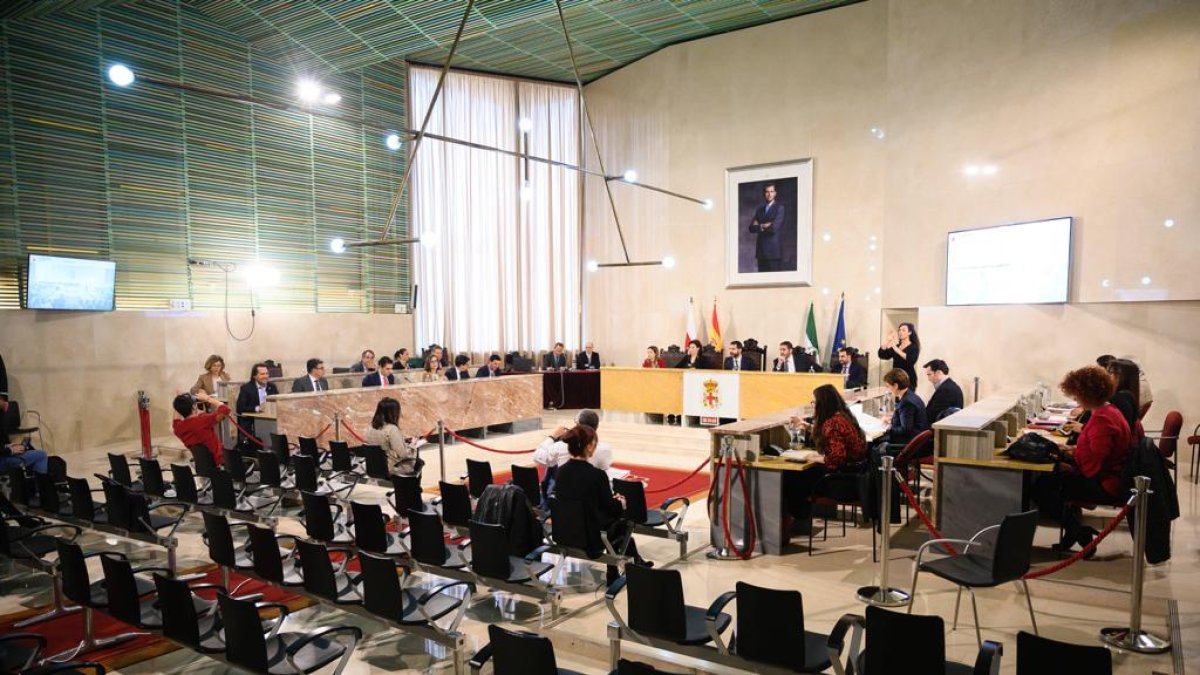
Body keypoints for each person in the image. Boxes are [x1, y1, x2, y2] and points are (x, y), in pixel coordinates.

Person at [1034, 366, 1132, 554]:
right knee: (1051, 480)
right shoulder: (1109, 411)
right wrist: (1071, 450)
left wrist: (1069, 458)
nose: (1075, 399)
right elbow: (1096, 452)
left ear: (1085, 394)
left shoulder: (1102, 419)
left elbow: (1091, 468)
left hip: (1106, 483)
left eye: (1076, 395)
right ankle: (1075, 531)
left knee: (1042, 488)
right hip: (1110, 475)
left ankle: (1079, 532)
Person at [551, 424, 649, 585]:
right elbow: (610, 509)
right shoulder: (596, 475)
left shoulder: (561, 472)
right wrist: (620, 503)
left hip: (565, 530)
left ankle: (634, 562)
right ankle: (620, 568)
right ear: (589, 446)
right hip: (590, 535)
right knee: (623, 523)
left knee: (613, 524)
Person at [782, 384, 868, 523]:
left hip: (840, 482)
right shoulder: (844, 417)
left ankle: (797, 518)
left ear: (823, 403)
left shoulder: (832, 423)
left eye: (814, 402)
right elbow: (832, 437)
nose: (813, 405)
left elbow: (837, 458)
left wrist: (818, 458)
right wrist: (807, 426)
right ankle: (798, 518)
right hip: (855, 476)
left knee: (791, 477)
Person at [535, 409, 614, 472]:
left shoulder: (561, 446)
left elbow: (539, 457)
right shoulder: (605, 449)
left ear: (577, 426)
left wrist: (552, 437)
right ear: (596, 426)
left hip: (565, 489)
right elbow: (605, 467)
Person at [173, 389, 230, 465]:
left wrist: (179, 401)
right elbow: (225, 409)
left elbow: (176, 418)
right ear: (194, 406)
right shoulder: (203, 420)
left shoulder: (178, 428)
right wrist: (207, 398)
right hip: (219, 461)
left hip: (201, 464)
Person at [362, 397, 417, 475]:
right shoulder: (392, 429)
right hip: (391, 469)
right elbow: (403, 454)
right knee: (417, 463)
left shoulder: (370, 428)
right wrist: (413, 445)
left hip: (374, 468)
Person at [880, 368, 929, 448]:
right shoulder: (911, 395)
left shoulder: (906, 402)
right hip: (915, 440)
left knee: (873, 444)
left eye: (888, 386)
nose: (888, 389)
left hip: (908, 444)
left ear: (895, 386)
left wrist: (887, 428)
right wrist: (893, 419)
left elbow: (905, 430)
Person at [235, 363, 277, 449]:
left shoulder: (272, 387)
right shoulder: (246, 388)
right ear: (254, 376)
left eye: (267, 373)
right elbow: (240, 407)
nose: (265, 376)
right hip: (251, 424)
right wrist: (257, 408)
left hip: (271, 423)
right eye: (262, 374)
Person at [748, 182, 785, 272]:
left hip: (773, 252)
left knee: (774, 282)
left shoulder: (779, 208)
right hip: (761, 252)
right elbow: (751, 228)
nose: (769, 194)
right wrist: (763, 225)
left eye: (772, 191)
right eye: (767, 192)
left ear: (775, 193)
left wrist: (759, 225)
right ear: (764, 193)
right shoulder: (760, 209)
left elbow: (773, 229)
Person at [1105, 358, 1142, 440]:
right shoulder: (1127, 395)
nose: (1106, 376)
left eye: (1110, 372)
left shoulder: (1121, 399)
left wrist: (1084, 428)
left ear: (1121, 377)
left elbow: (1114, 434)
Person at [877, 323, 920, 388]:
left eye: (903, 330)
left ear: (909, 332)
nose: (900, 332)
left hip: (908, 378)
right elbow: (882, 355)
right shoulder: (897, 346)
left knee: (906, 398)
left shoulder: (914, 347)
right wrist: (887, 341)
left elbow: (911, 360)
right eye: (899, 330)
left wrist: (895, 347)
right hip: (895, 378)